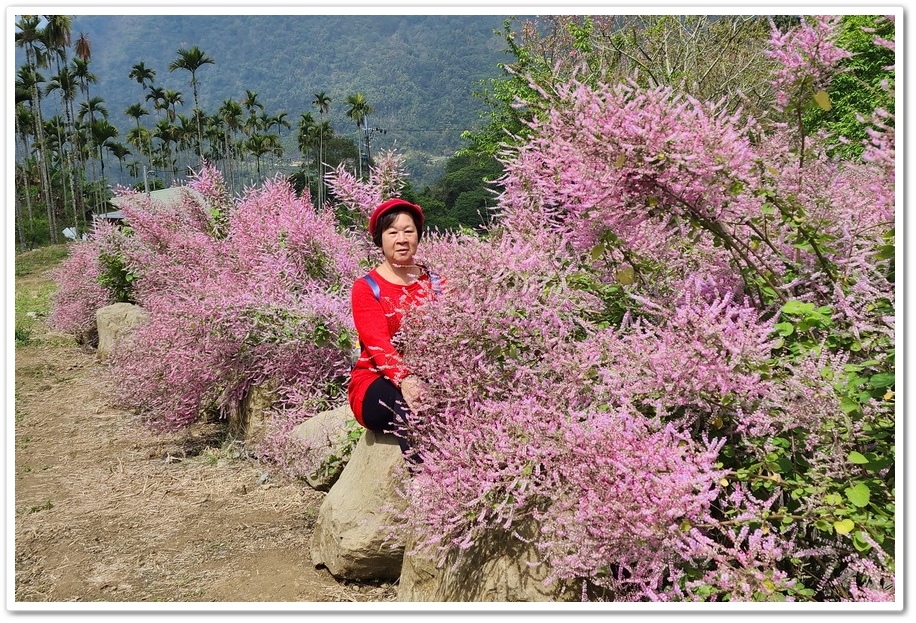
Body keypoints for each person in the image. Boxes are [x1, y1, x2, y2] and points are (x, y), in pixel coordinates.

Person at [347, 198, 437, 458]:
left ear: (418, 236)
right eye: (392, 232)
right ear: (380, 239)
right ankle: (426, 483)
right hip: (377, 380)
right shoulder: (367, 287)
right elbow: (378, 344)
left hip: (431, 373)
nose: (401, 239)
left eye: (408, 231)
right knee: (412, 404)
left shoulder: (436, 283)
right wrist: (407, 379)